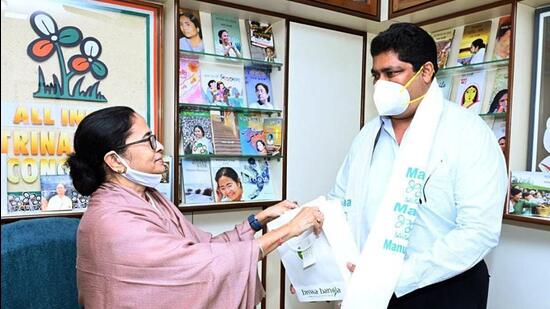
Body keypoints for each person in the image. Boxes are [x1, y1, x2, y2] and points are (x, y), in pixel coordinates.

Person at [68, 106, 324, 308]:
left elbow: (204, 247)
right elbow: (201, 264)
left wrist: (259, 219)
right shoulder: (112, 220)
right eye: (148, 140)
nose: (159, 147)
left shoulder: (150, 198)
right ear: (115, 160)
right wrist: (290, 229)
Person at [327, 23, 507, 308]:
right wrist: (323, 269)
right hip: (371, 288)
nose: (380, 85)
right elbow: (340, 202)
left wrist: (397, 274)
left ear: (425, 72)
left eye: (392, 73)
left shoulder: (467, 133)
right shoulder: (367, 136)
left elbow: (478, 231)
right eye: (376, 75)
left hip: (444, 290)